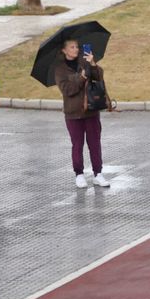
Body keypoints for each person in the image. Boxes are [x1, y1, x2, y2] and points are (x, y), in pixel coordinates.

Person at [54, 38, 110, 188]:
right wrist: (82, 77)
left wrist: (92, 63)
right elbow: (68, 90)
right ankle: (79, 174)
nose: (76, 49)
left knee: (95, 144)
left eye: (77, 47)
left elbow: (99, 77)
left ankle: (98, 173)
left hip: (91, 111)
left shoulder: (84, 62)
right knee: (77, 145)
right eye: (72, 47)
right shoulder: (60, 70)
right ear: (64, 50)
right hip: (73, 114)